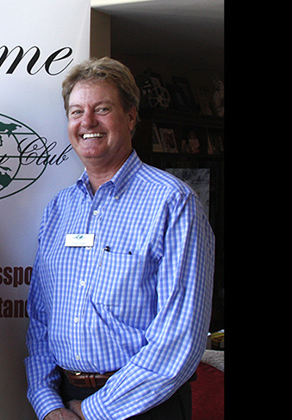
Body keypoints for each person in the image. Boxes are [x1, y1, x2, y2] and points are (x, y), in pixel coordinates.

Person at [25, 57, 214, 420]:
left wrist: (95, 411)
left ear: (131, 117)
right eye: (76, 111)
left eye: (103, 109)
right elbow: (40, 319)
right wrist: (47, 403)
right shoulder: (58, 209)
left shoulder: (173, 203)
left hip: (146, 405)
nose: (87, 122)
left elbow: (181, 337)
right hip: (65, 402)